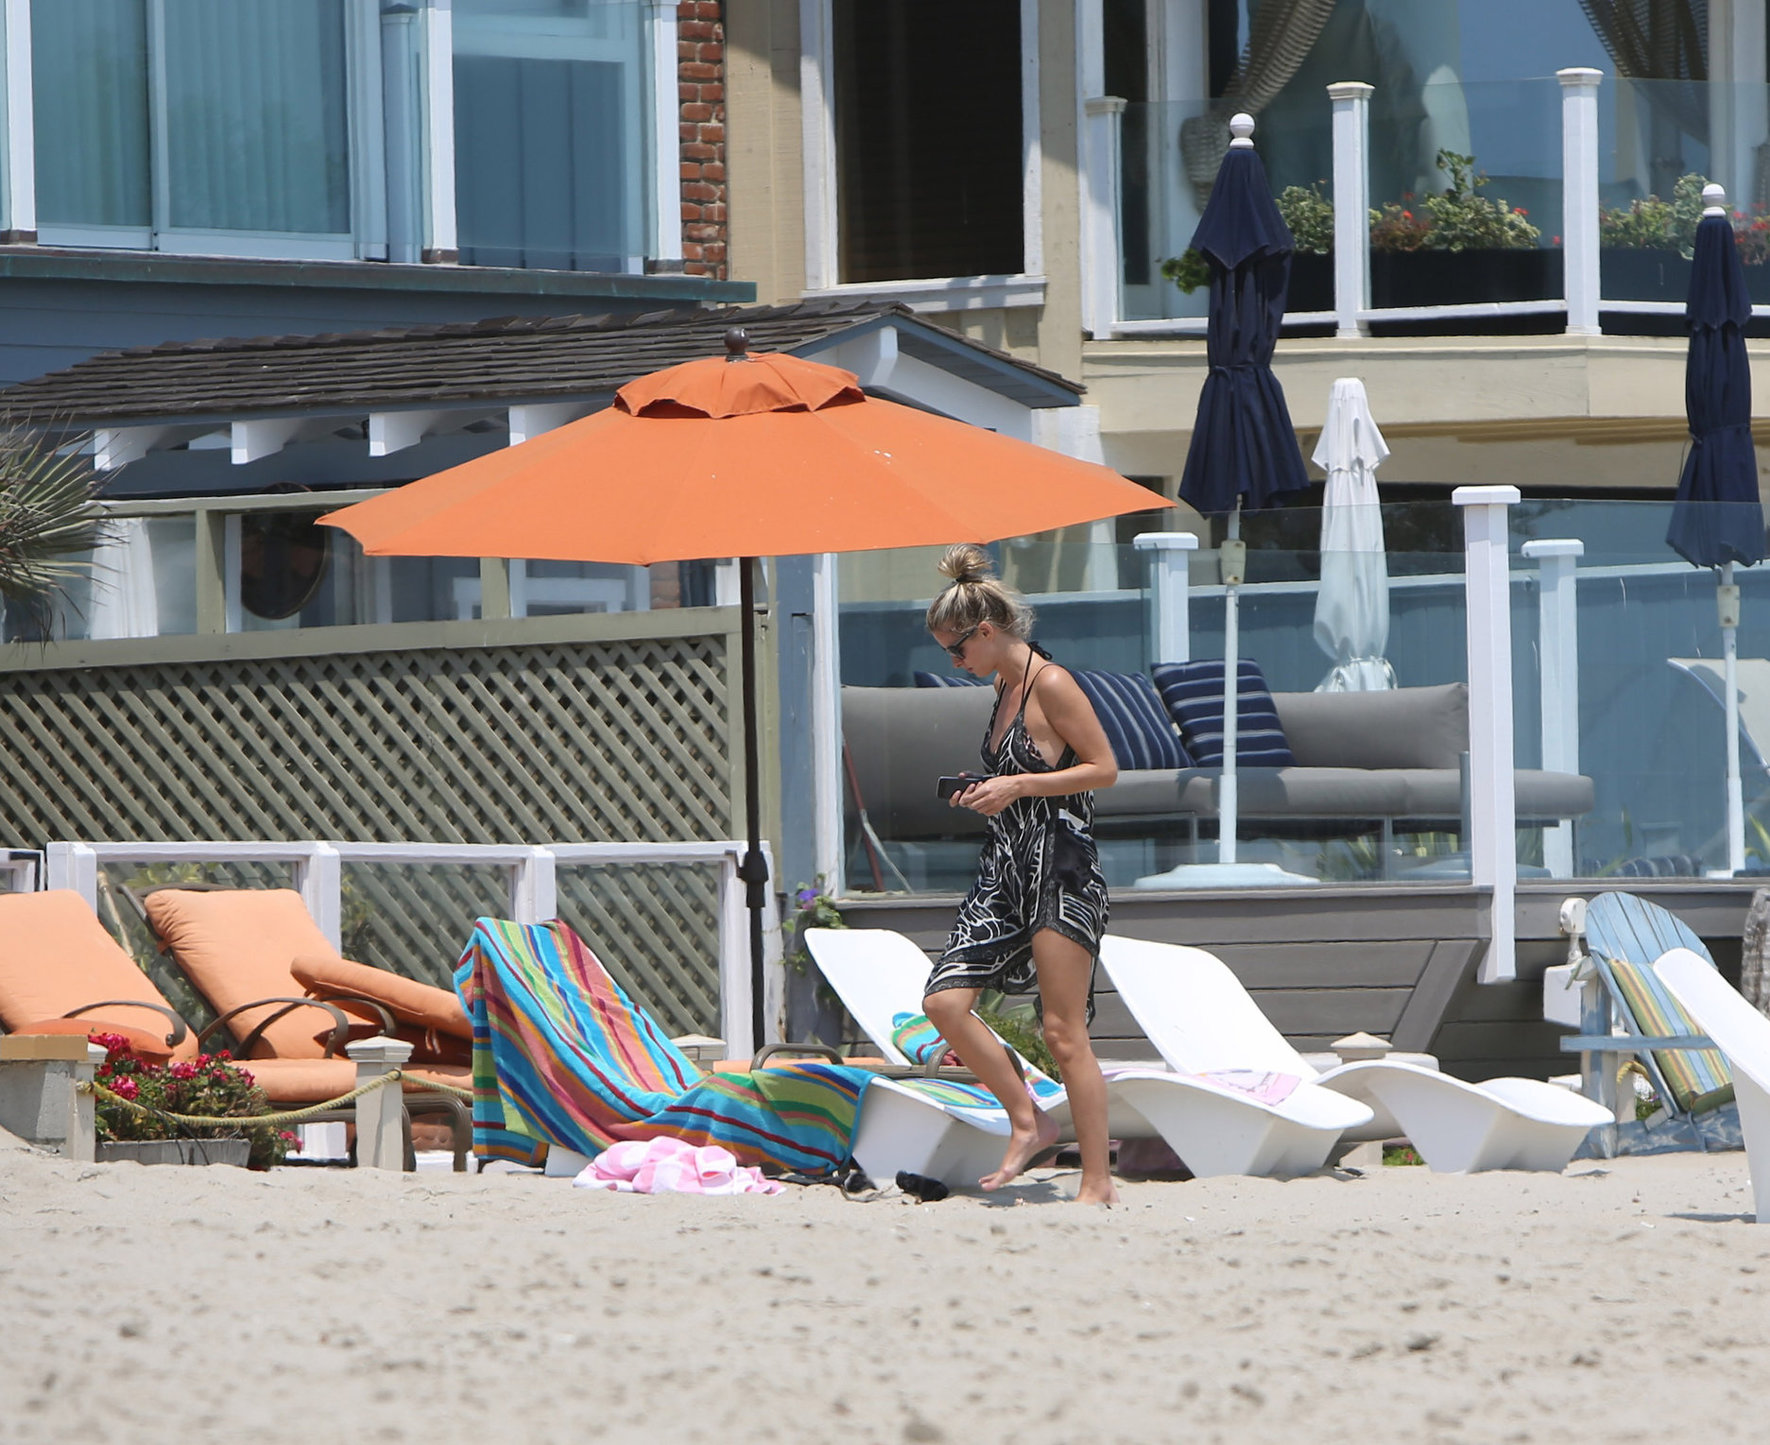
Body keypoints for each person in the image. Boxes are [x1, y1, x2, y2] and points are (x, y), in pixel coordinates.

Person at [920, 543, 1119, 1205]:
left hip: (1060, 868)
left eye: (957, 650)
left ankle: (1096, 1181)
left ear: (986, 631)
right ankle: (1029, 1118)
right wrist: (986, 789)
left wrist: (1021, 783)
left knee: (1063, 1031)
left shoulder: (1051, 683)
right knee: (944, 1002)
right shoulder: (1003, 687)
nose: (955, 663)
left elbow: (1103, 769)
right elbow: (1017, 779)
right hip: (1005, 867)